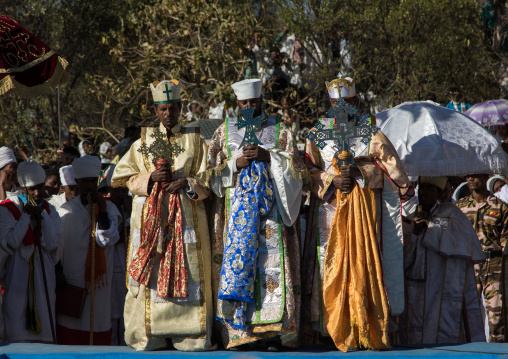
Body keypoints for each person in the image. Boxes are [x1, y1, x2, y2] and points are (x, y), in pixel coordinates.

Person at [303, 76, 413, 351]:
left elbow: (396, 175)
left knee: (362, 265)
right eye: (335, 103)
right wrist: (330, 181)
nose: (341, 108)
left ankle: (364, 324)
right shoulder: (316, 134)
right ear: (329, 103)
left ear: (356, 102)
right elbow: (307, 173)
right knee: (327, 266)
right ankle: (327, 330)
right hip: (328, 215)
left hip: (365, 217)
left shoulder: (371, 132)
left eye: (347, 102)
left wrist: (361, 172)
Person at [111, 79, 214, 351]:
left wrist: (187, 182)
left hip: (187, 221)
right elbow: (121, 179)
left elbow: (210, 179)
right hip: (151, 222)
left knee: (191, 269)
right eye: (163, 109)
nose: (169, 114)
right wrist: (150, 178)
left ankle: (191, 335)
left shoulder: (196, 141)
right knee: (153, 274)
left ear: (181, 108)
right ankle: (150, 334)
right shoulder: (141, 143)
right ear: (156, 111)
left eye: (173, 108)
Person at [207, 78, 307, 350]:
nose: (249, 107)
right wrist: (234, 164)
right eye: (243, 103)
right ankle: (240, 334)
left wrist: (269, 157)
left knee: (268, 266)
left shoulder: (280, 130)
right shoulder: (223, 132)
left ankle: (273, 332)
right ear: (236, 103)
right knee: (240, 266)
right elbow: (208, 175)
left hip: (271, 215)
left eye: (254, 102)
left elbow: (299, 170)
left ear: (262, 100)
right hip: (235, 215)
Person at [399, 176, 485, 344]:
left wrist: (431, 226)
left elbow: (462, 242)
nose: (423, 192)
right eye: (421, 187)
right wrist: (414, 232)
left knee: (441, 330)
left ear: (439, 192)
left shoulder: (451, 213)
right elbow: (401, 256)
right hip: (415, 285)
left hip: (442, 283)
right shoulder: (410, 216)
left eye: (429, 188)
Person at [56, 155, 121, 345]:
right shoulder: (65, 211)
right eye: (85, 182)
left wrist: (102, 213)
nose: (90, 186)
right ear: (77, 182)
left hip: (100, 286)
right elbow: (57, 248)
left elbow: (107, 240)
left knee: (98, 329)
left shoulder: (111, 209)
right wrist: (58, 272)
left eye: (93, 181)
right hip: (72, 282)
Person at [0, 162, 64, 343]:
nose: (37, 193)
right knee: (17, 323)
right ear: (22, 187)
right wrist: (26, 216)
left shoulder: (51, 211)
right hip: (17, 277)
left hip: (44, 278)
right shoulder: (7, 209)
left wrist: (41, 215)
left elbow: (53, 245)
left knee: (45, 320)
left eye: (40, 188)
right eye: (32, 189)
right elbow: (11, 242)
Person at [456, 173, 508, 342]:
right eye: (468, 176)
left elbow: (505, 242)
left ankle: (497, 351)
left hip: (493, 265)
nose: (470, 179)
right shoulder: (460, 207)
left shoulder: (501, 207)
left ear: (486, 177)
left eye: (475, 176)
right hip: (468, 265)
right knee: (465, 313)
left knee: (496, 315)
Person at [98, 165, 129, 346]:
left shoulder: (128, 205)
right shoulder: (107, 205)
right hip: (114, 267)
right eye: (118, 190)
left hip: (126, 265)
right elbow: (109, 237)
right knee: (115, 314)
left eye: (124, 190)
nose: (121, 194)